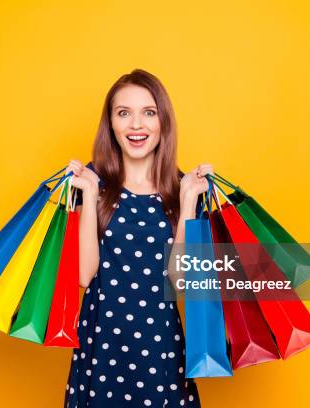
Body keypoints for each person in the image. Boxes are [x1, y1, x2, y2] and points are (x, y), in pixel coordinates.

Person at [63, 68, 214, 407]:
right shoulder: (92, 184)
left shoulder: (182, 190)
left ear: (163, 123)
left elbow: (183, 282)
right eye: (124, 113)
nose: (136, 125)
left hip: (160, 344)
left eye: (149, 113)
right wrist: (88, 194)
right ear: (111, 124)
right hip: (101, 344)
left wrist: (189, 201)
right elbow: (85, 274)